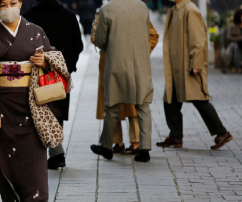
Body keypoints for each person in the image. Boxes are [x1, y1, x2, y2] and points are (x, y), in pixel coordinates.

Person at [0, 0, 70, 200]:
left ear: (20, 3)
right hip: (2, 109)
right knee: (6, 161)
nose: (8, 8)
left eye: (13, 2)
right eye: (3, 4)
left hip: (32, 108)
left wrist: (45, 61)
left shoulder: (35, 31)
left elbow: (52, 57)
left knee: (34, 165)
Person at [156, 0, 233, 150]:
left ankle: (222, 133)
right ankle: (175, 135)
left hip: (188, 66)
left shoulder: (190, 9)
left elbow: (198, 40)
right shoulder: (176, 9)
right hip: (177, 66)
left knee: (199, 99)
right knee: (170, 100)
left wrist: (196, 63)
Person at [90, 0, 155, 163]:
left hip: (116, 64)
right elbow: (148, 33)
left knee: (112, 106)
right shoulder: (142, 6)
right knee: (143, 105)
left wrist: (112, 47)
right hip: (140, 63)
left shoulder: (107, 9)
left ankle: (106, 147)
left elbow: (100, 39)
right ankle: (144, 149)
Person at [23, 0, 84, 169]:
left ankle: (55, 153)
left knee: (38, 108)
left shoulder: (29, 17)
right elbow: (78, 45)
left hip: (36, 73)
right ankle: (56, 151)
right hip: (60, 73)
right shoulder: (69, 16)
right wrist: (70, 66)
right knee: (58, 109)